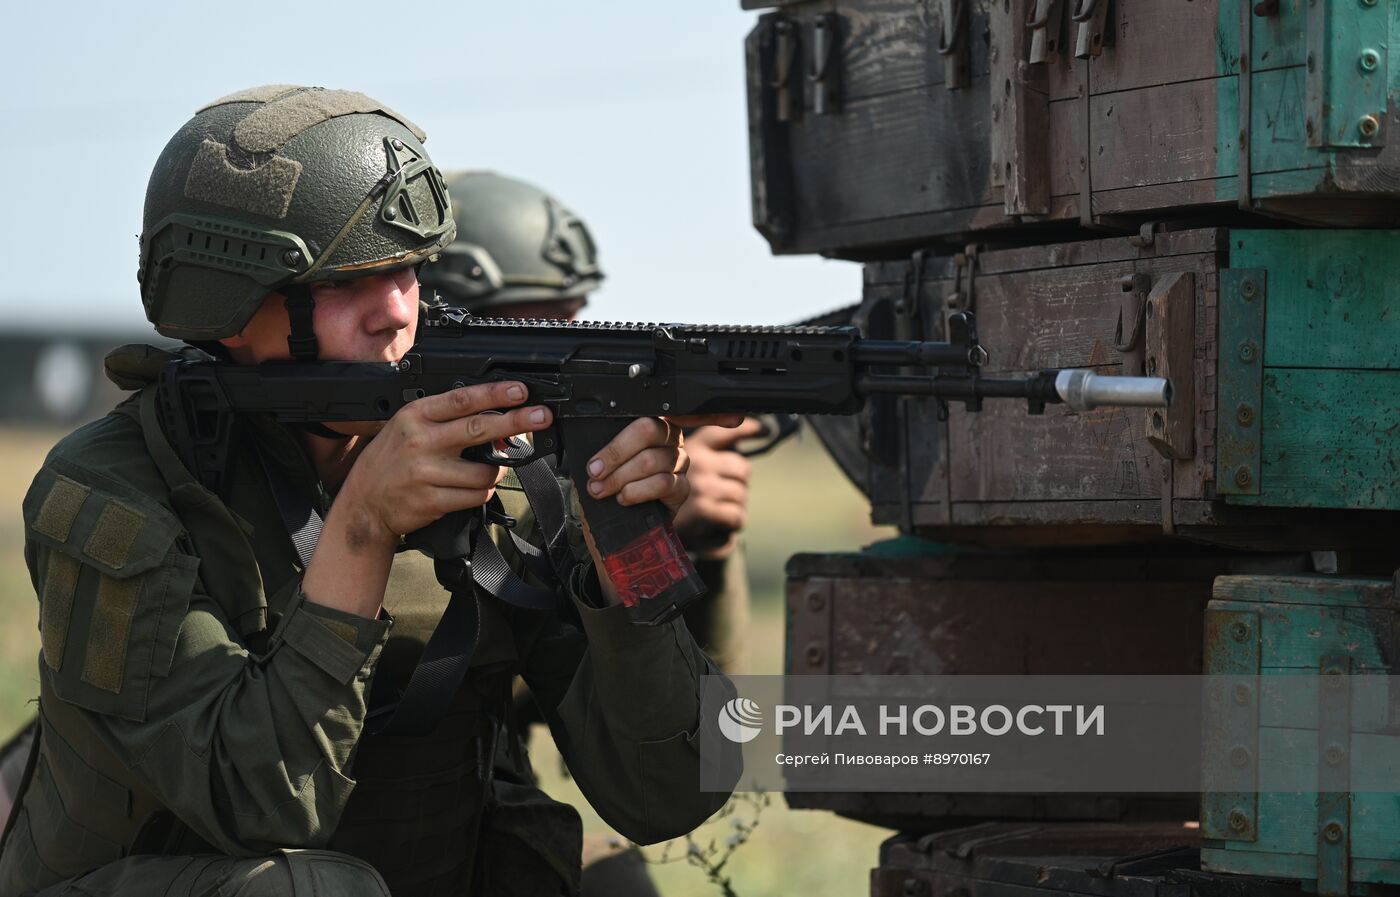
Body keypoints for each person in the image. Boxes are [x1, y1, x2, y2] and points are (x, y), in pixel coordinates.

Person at [0, 85, 735, 897]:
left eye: (410, 271)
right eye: (347, 281)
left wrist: (626, 556)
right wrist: (361, 535)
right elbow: (259, 806)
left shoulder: (502, 476)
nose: (396, 312)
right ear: (231, 304)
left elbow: (670, 791)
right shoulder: (113, 490)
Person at [420, 171, 756, 674]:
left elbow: (700, 711)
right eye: (539, 330)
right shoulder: (413, 495)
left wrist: (686, 542)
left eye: (574, 319)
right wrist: (590, 526)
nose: (568, 352)